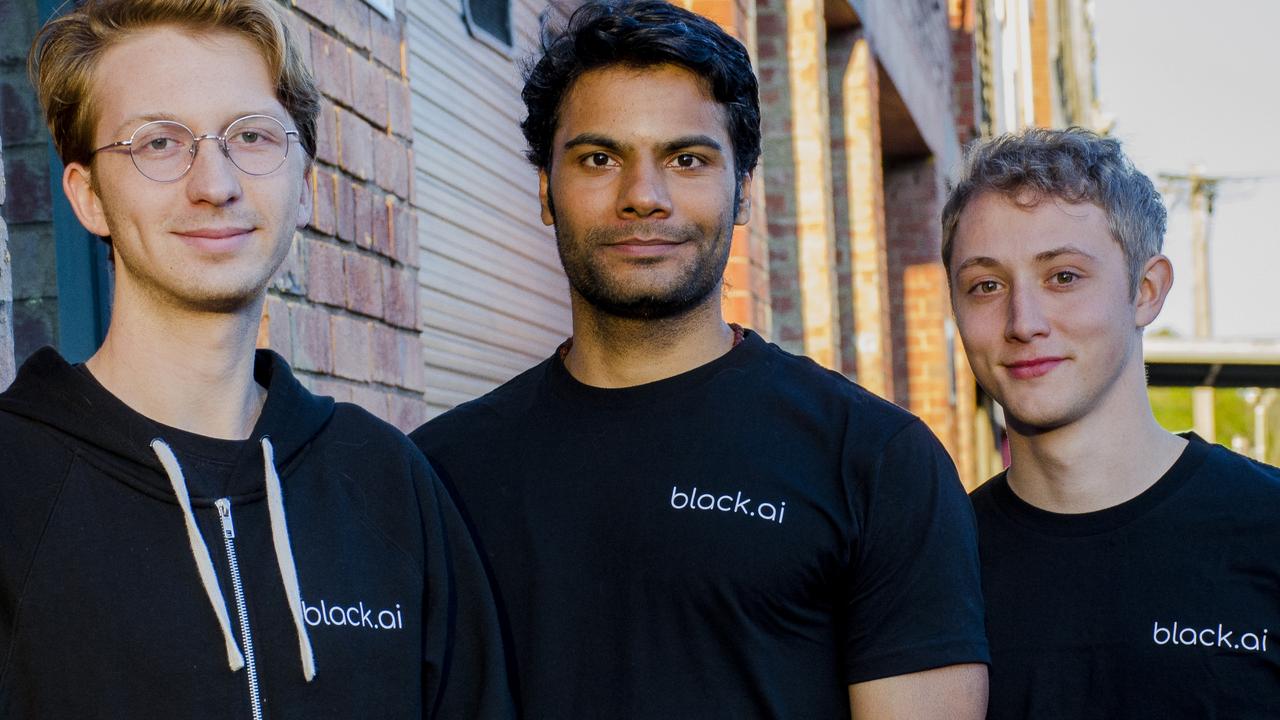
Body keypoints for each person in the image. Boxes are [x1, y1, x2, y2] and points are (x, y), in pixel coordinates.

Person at [411, 2, 989, 717]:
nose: (643, 198)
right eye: (599, 158)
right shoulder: (438, 474)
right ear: (544, 190)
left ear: (742, 189)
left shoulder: (873, 462)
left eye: (687, 160)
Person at [0, 1, 513, 717]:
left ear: (303, 184)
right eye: (157, 142)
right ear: (88, 197)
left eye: (251, 135)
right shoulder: (14, 484)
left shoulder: (390, 486)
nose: (215, 183)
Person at [944, 127, 1280, 718]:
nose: (1024, 321)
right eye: (986, 286)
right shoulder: (933, 567)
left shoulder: (1266, 531)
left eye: (1064, 277)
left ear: (1147, 291)